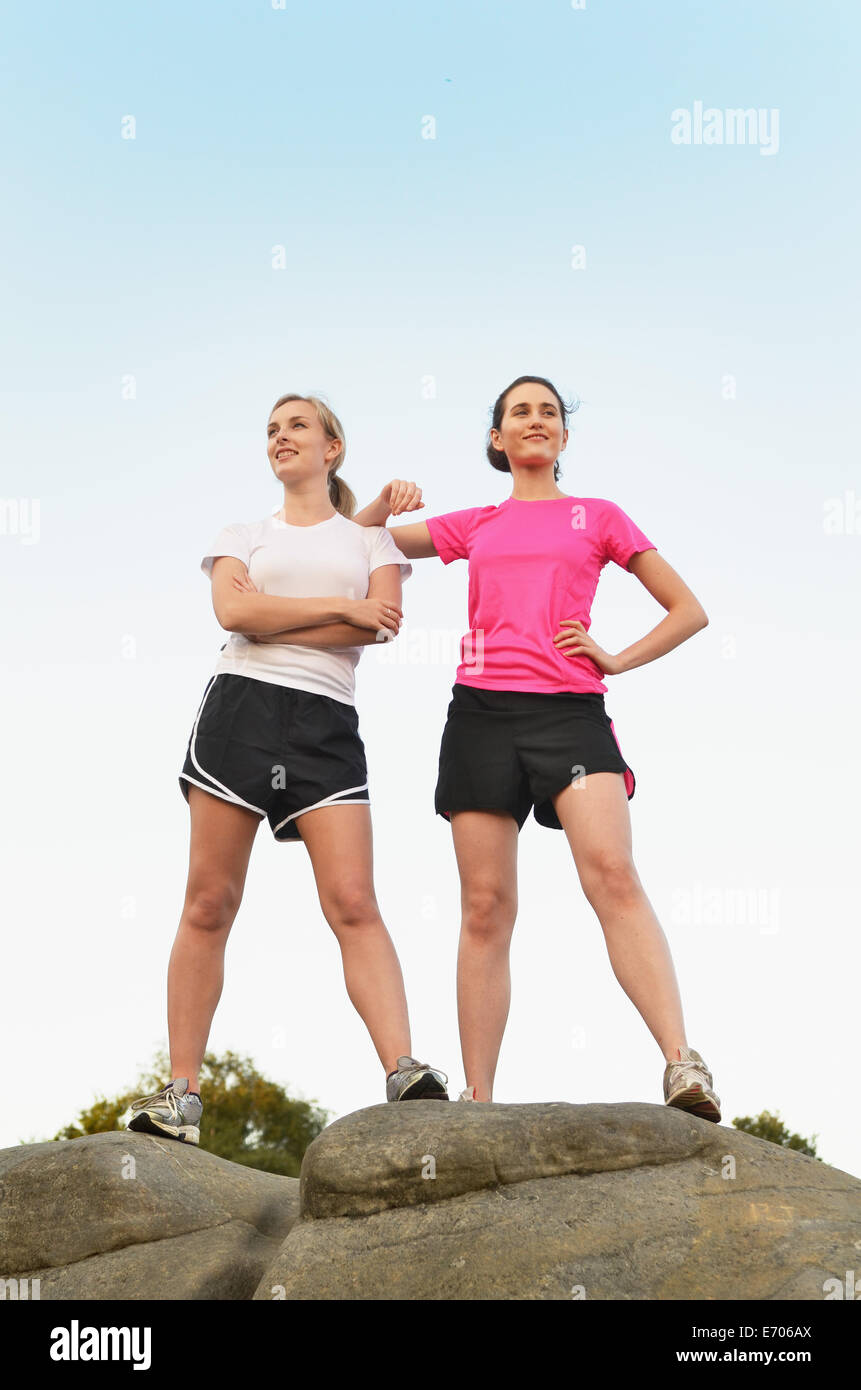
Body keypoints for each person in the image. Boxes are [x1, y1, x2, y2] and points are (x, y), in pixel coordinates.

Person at [352, 375, 721, 1120]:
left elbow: (688, 611)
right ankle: (479, 1096)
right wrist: (380, 503)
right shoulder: (477, 523)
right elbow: (361, 542)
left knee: (612, 875)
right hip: (481, 716)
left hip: (571, 716)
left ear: (561, 436)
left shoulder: (598, 516)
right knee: (485, 906)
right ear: (497, 437)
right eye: (519, 412)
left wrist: (615, 657)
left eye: (547, 412)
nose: (534, 420)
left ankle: (683, 1066)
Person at [126, 393, 449, 1146]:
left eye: (297, 425)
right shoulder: (242, 533)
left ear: (332, 447)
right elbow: (233, 617)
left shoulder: (371, 541)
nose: (281, 437)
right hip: (238, 711)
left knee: (353, 900)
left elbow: (383, 624)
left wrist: (281, 607)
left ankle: (403, 1069)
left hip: (324, 724)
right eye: (271, 429)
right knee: (209, 902)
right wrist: (338, 612)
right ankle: (182, 1097)